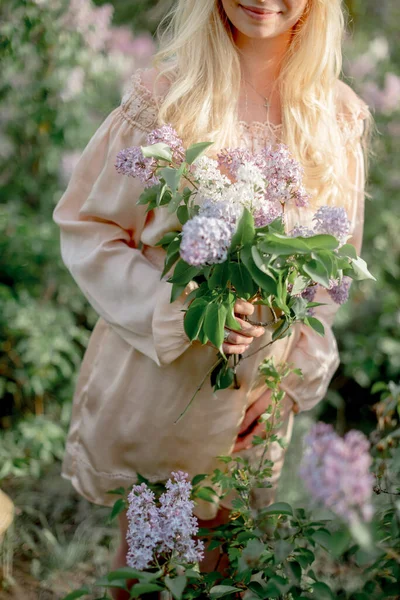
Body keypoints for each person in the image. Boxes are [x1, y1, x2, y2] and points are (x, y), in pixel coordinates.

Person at [52, 0, 370, 594]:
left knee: (224, 563)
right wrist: (180, 313)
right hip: (161, 380)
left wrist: (288, 388)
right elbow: (87, 226)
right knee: (147, 562)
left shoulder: (336, 117)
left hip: (254, 401)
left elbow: (334, 273)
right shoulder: (168, 100)